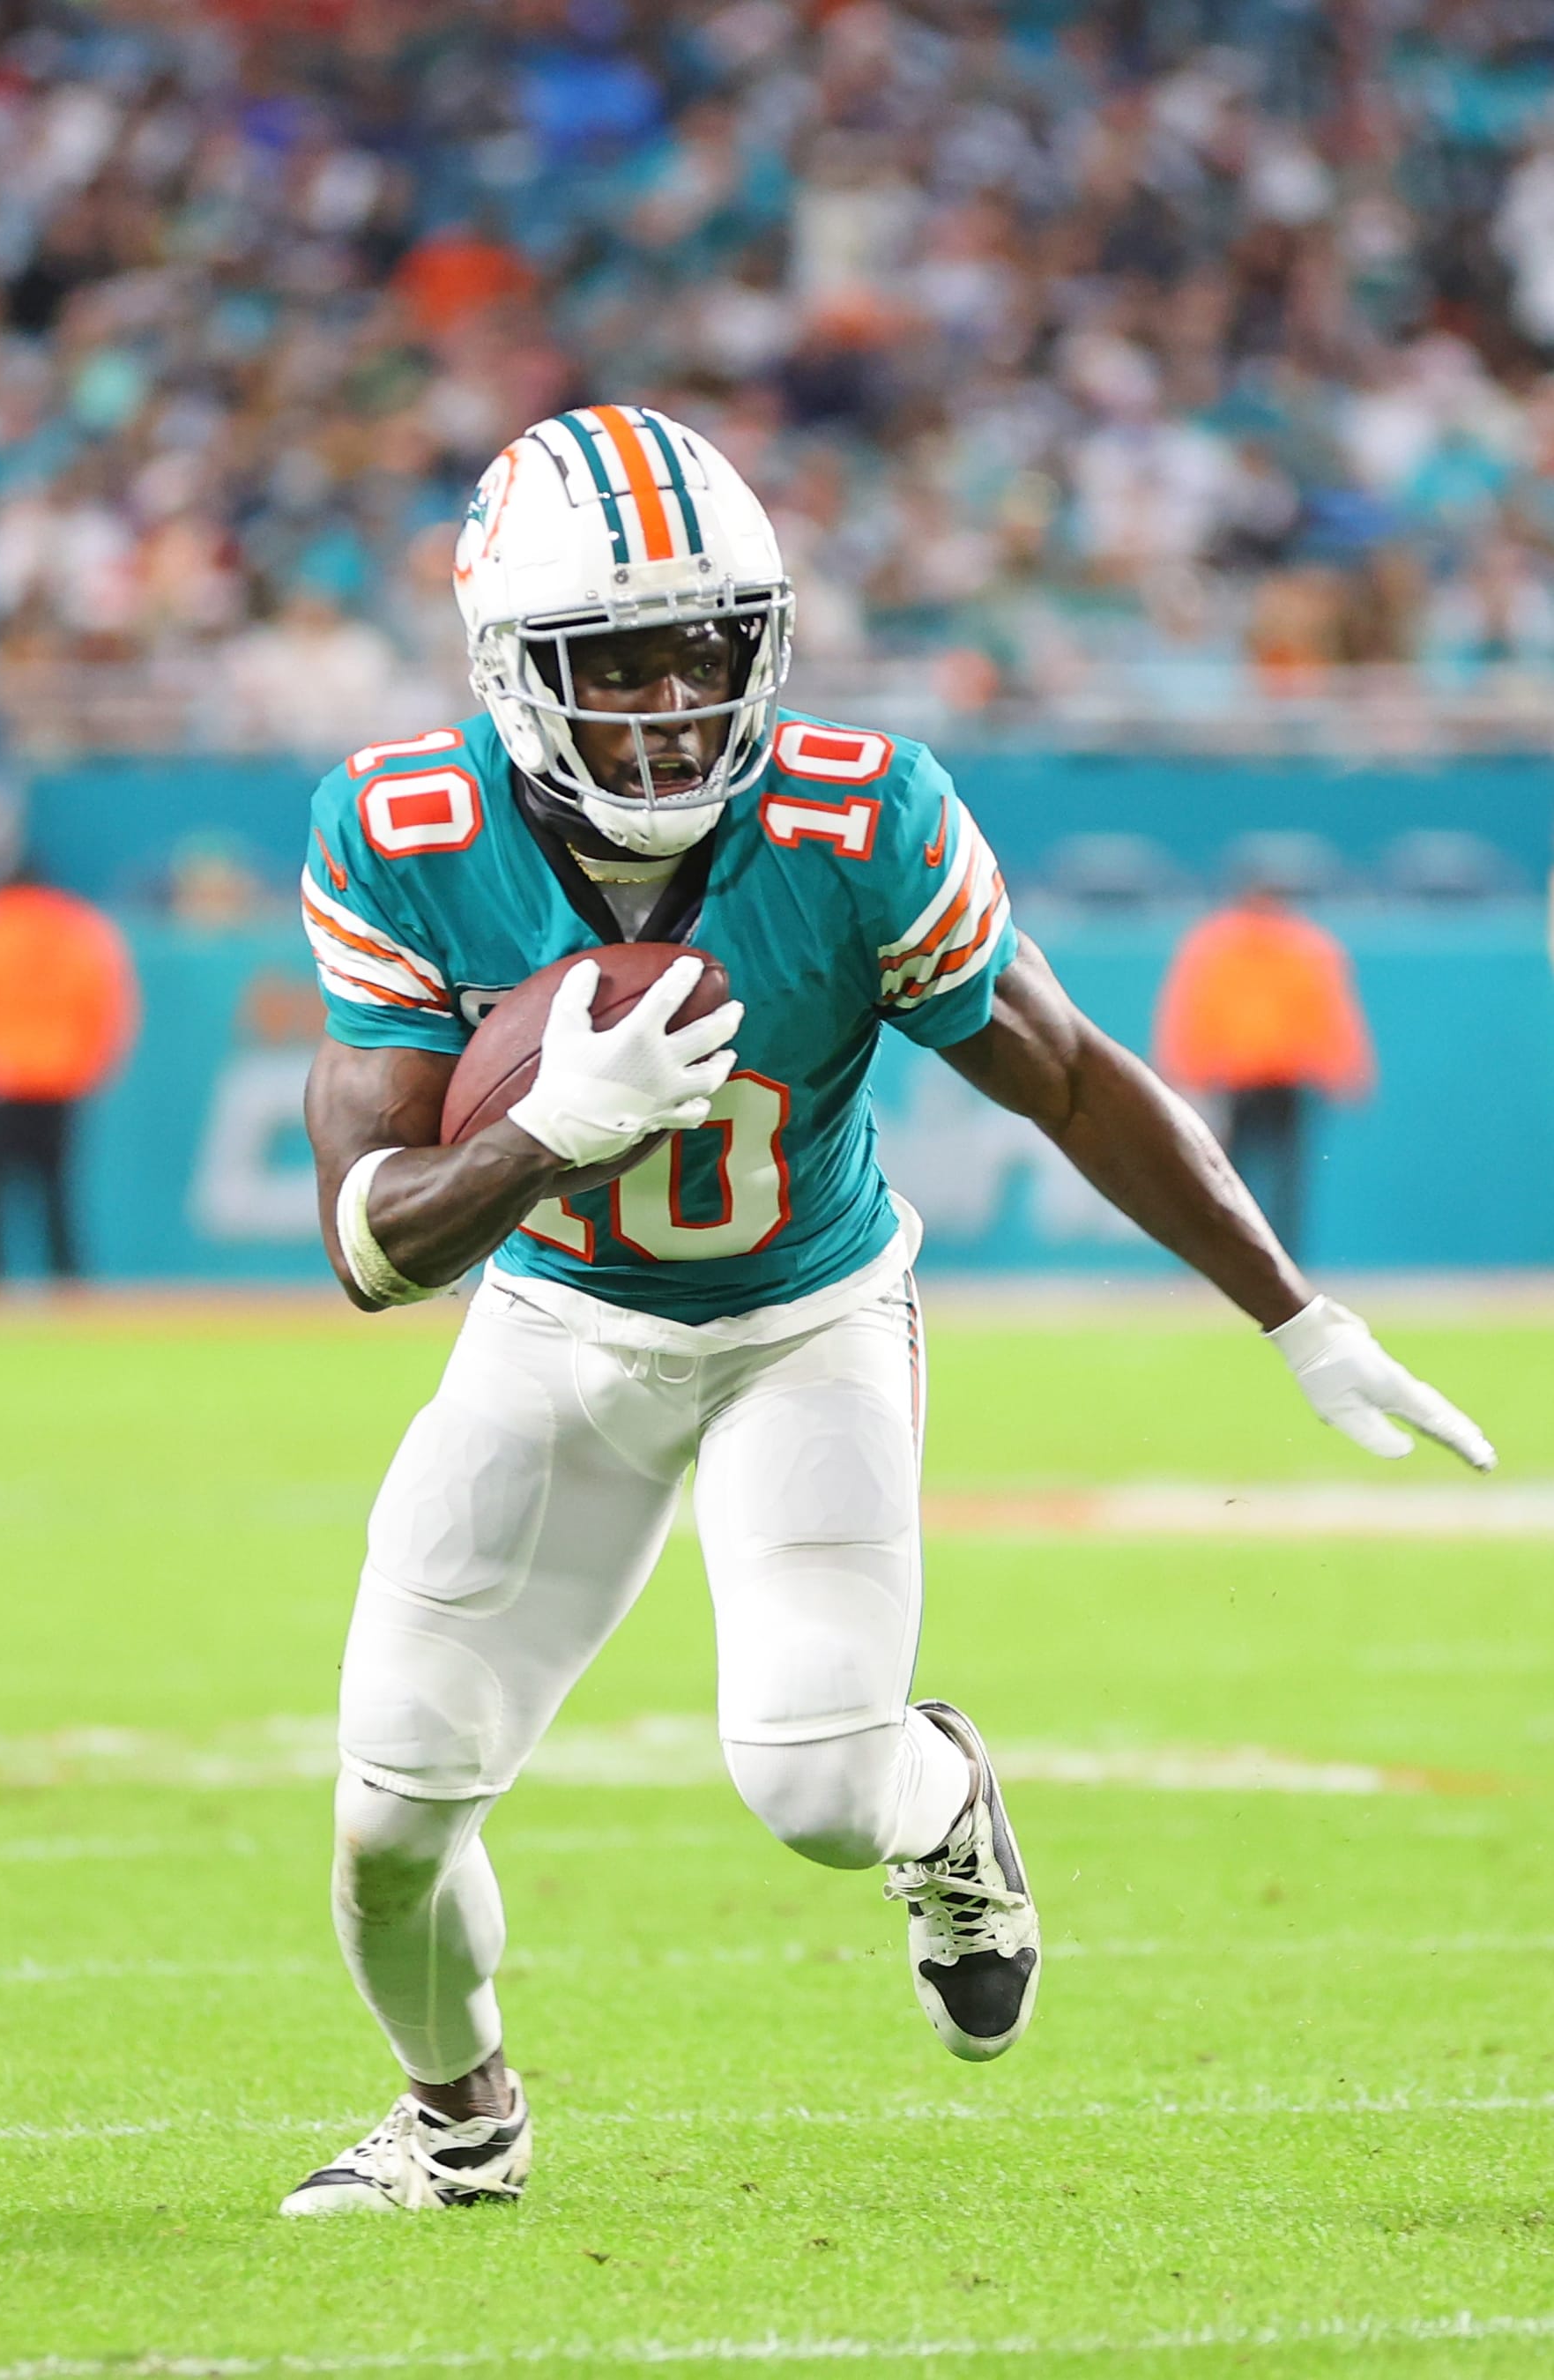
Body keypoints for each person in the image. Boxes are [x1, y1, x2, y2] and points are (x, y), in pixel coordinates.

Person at [286, 405, 1492, 2217]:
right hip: (557, 1331)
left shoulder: (857, 815)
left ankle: (940, 1802)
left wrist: (1295, 1317)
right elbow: (372, 1250)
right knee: (389, 1813)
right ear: (508, 666)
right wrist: (549, 1133)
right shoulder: (405, 828)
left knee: (812, 1785)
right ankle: (458, 2125)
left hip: (810, 1320)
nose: (676, 703)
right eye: (617, 662)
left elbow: (1069, 1077)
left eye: (712, 650)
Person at [1154, 886, 1375, 1259]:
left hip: (1283, 1080)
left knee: (1279, 1180)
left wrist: (1342, 1069)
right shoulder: (1228, 946)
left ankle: (1279, 1260)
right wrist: (1187, 1067)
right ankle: (1226, 1256)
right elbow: (1195, 1011)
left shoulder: (1295, 947)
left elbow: (1327, 1014)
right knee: (1224, 1176)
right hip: (1234, 1082)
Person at [0, 867, 138, 1281]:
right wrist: (91, 1066)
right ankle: (67, 1283)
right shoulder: (77, 927)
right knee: (57, 1191)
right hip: (60, 1079)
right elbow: (105, 1000)